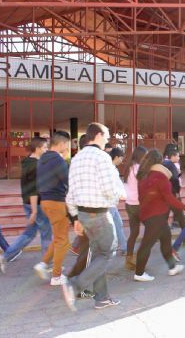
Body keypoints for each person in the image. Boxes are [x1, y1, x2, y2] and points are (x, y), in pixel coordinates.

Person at [61, 123, 126, 311]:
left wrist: (75, 218)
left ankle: (102, 298)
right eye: (107, 135)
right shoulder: (102, 157)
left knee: (99, 255)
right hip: (99, 213)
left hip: (82, 213)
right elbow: (108, 189)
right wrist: (119, 195)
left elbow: (70, 193)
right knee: (108, 252)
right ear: (98, 135)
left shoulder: (76, 158)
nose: (108, 139)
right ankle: (74, 286)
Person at [133, 149, 185, 282]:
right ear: (160, 161)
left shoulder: (144, 176)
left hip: (148, 214)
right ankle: (139, 273)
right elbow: (169, 197)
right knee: (146, 245)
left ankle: (172, 267)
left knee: (166, 239)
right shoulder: (160, 176)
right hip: (156, 216)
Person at [0, 137, 52, 272]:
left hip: (27, 202)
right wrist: (34, 211)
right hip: (36, 204)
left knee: (30, 233)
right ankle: (47, 264)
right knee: (46, 233)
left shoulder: (27, 162)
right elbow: (34, 189)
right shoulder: (36, 165)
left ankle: (6, 256)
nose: (46, 150)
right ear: (38, 148)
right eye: (45, 147)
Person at [33, 131, 71, 286]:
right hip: (57, 201)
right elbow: (68, 181)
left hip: (46, 201)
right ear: (61, 144)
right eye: (67, 145)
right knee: (63, 240)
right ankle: (56, 276)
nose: (68, 148)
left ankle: (43, 264)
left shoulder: (43, 159)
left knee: (58, 237)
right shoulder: (58, 160)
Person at [123, 146, 147, 271]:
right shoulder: (139, 169)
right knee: (151, 230)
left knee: (134, 232)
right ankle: (139, 258)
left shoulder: (129, 167)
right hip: (139, 204)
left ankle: (129, 259)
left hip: (129, 203)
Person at [162, 148, 185, 244]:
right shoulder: (171, 164)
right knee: (181, 217)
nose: (179, 158)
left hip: (164, 195)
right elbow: (175, 179)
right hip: (173, 195)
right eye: (177, 156)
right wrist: (177, 191)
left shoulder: (162, 164)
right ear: (172, 156)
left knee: (164, 217)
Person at [108, 148, 128, 256]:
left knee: (118, 224)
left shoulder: (113, 168)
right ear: (116, 157)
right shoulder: (109, 169)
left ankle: (124, 247)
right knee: (112, 227)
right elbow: (112, 186)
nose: (122, 160)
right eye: (121, 158)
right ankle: (111, 250)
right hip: (109, 203)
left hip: (112, 203)